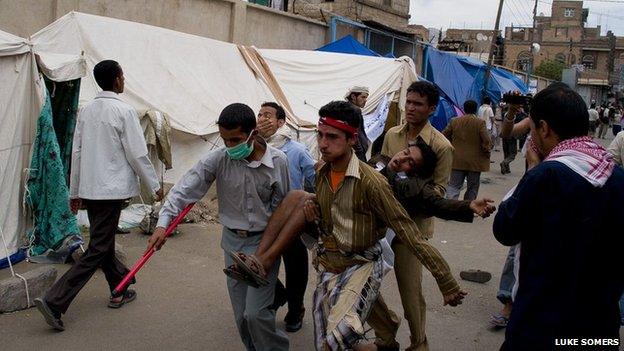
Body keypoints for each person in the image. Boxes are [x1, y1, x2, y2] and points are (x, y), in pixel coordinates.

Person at [224, 101, 467, 351]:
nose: (322, 143)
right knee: (329, 342)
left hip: (361, 266)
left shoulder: (372, 182)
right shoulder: (322, 174)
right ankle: (386, 334)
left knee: (334, 342)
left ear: (351, 139)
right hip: (330, 268)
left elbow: (409, 232)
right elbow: (330, 225)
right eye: (320, 135)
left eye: (332, 137)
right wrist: (314, 217)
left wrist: (445, 281)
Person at [148, 103, 290, 351]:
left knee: (255, 315)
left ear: (253, 133)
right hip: (233, 245)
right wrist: (162, 224)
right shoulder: (217, 159)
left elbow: (284, 208)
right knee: (241, 317)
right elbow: (183, 191)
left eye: (235, 140)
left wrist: (274, 247)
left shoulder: (279, 161)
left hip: (264, 244)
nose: (230, 147)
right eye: (225, 140)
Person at [493, 83, 624, 350]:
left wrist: (531, 171)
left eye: (532, 130)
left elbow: (505, 229)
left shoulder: (546, 176)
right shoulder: (616, 175)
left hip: (541, 327)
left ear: (544, 128)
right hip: (600, 327)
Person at [34, 60, 163, 331]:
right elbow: (137, 154)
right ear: (117, 80)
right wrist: (154, 185)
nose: (123, 80)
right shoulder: (124, 111)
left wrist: (76, 191)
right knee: (98, 248)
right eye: (123, 76)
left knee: (102, 243)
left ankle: (121, 287)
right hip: (111, 191)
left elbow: (77, 153)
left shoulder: (86, 111)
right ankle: (55, 301)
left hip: (92, 189)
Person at [379, 80, 453, 351]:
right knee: (366, 284)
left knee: (410, 292)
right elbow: (382, 171)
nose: (410, 108)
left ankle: (419, 342)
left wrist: (406, 188)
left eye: (418, 104)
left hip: (413, 229)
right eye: (408, 102)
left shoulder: (442, 146)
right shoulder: (393, 135)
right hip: (382, 224)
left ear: (431, 109)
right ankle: (386, 330)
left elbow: (439, 193)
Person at [256, 101, 315, 332]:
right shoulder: (253, 147)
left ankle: (295, 309)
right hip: (263, 219)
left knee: (295, 268)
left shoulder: (297, 151)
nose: (262, 118)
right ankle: (277, 295)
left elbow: (313, 180)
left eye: (268, 115)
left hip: (292, 220)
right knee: (258, 262)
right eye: (259, 114)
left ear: (281, 122)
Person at [443, 100, 492, 201]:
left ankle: (450, 207)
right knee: (472, 187)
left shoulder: (454, 121)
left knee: (454, 185)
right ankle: (468, 208)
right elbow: (487, 141)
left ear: (464, 109)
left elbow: (443, 136)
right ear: (475, 109)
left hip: (457, 160)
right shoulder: (480, 123)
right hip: (475, 162)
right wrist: (486, 152)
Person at [345, 86, 370, 161]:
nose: (365, 100)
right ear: (353, 96)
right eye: (363, 97)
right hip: (357, 154)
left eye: (366, 98)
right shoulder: (355, 110)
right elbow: (354, 133)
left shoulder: (346, 108)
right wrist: (360, 152)